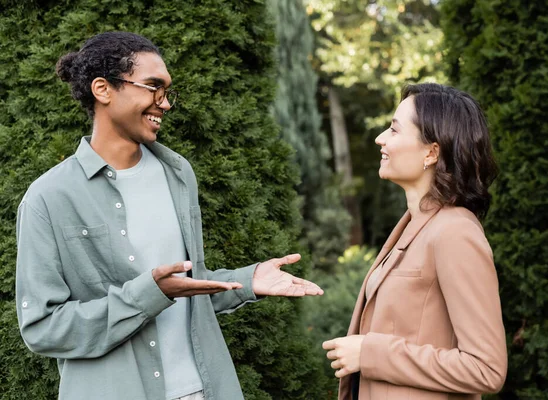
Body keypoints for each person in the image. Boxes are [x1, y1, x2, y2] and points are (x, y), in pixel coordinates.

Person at [15, 31, 323, 400]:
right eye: (152, 87)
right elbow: (42, 328)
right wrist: (146, 296)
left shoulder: (178, 173)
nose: (165, 104)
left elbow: (183, 286)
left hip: (204, 390)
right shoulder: (48, 198)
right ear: (103, 89)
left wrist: (247, 280)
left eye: (166, 92)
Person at [322, 83, 508, 400]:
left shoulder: (454, 232)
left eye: (394, 130)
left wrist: (371, 353)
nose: (380, 138)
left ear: (431, 152)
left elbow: (486, 368)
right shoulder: (413, 224)